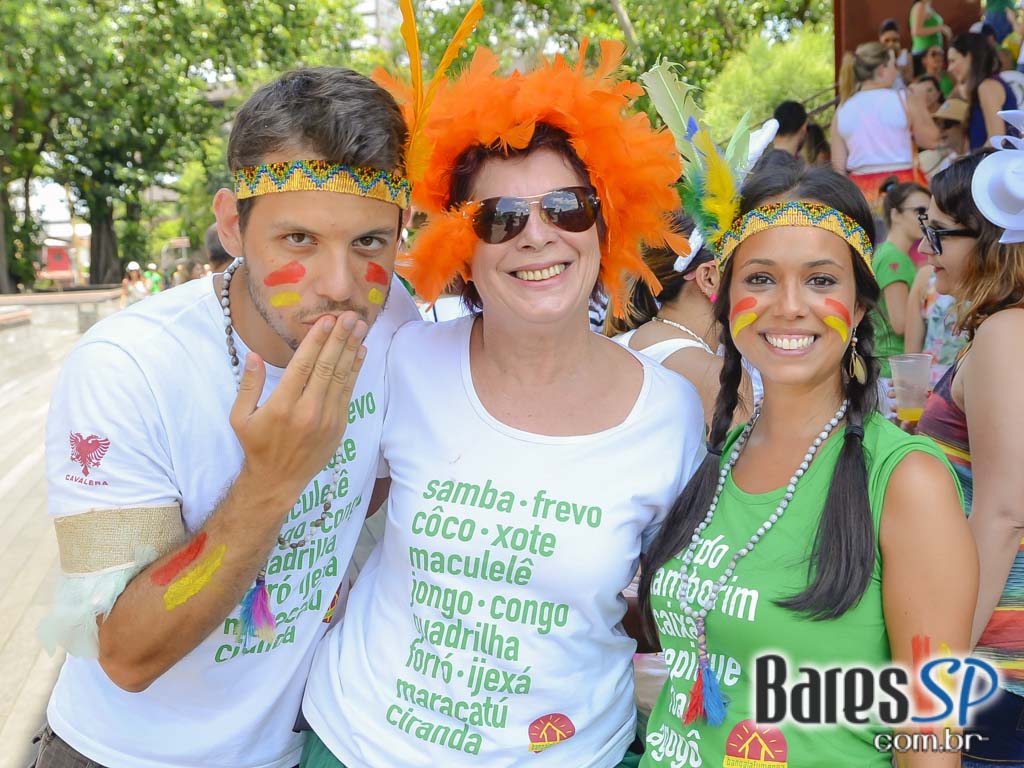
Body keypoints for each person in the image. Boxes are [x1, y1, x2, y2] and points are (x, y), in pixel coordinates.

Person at [300, 39, 706, 768]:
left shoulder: (670, 413)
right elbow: (331, 504)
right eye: (499, 217)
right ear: (463, 245)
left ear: (606, 222)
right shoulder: (406, 359)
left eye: (567, 207)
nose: (538, 234)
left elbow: (675, 612)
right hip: (360, 743)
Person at [36, 65, 421, 768]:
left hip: (294, 744)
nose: (339, 286)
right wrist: (274, 479)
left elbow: (383, 472)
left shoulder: (395, 317)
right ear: (230, 225)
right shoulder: (125, 369)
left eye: (369, 242)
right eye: (298, 240)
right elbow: (123, 652)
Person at [638, 163, 977, 767]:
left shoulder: (905, 482)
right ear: (724, 293)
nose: (789, 307)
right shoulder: (720, 450)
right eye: (761, 278)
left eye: (820, 279)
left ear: (860, 299)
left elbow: (930, 742)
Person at [917, 146, 1024, 765]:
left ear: (988, 241)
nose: (925, 247)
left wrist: (942, 680)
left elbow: (1005, 513)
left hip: (995, 671)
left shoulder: (1006, 331)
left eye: (938, 231)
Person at [608, 213, 757, 429]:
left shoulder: (620, 342)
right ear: (709, 277)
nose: (766, 289)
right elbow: (741, 462)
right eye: (754, 273)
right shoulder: (721, 377)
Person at [832, 42, 938, 211]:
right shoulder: (904, 99)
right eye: (893, 65)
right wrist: (920, 104)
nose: (897, 71)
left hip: (860, 193)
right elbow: (931, 140)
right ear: (882, 69)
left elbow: (839, 169)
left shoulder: (842, 109)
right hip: (904, 188)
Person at [873, 178, 930, 387]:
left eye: (930, 213)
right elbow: (900, 323)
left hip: (888, 369)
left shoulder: (886, 253)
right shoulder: (893, 258)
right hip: (893, 371)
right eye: (919, 211)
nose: (926, 219)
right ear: (895, 214)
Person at [948, 32, 1019, 151]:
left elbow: (996, 141)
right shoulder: (983, 87)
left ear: (969, 57)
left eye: (953, 61)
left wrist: (968, 165)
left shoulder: (987, 87)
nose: (950, 68)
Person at [904, 263, 966, 387]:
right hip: (929, 390)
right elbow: (911, 354)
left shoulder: (994, 281)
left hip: (970, 387)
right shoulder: (926, 277)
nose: (926, 248)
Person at [918, 97, 970, 180]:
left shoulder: (980, 155)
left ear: (964, 125)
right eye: (938, 125)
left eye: (947, 124)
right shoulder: (945, 164)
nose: (940, 130)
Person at [910, 1, 952, 74]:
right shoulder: (920, 5)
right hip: (923, 53)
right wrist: (940, 29)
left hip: (933, 53)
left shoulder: (927, 6)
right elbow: (916, 31)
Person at [879, 17, 913, 87]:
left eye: (895, 40)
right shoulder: (877, 56)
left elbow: (909, 80)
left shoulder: (906, 56)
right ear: (880, 39)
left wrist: (899, 68)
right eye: (887, 40)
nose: (891, 44)